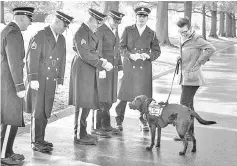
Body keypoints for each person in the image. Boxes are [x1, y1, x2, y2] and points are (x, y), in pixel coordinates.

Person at [25, 11, 74, 153]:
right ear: (57, 22)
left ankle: (41, 138)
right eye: (64, 25)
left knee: (46, 109)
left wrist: (59, 79)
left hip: (51, 79)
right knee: (38, 110)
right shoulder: (40, 35)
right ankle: (35, 141)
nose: (65, 29)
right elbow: (31, 58)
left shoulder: (62, 39)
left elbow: (62, 60)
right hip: (39, 79)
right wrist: (32, 78)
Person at [68, 8, 113, 145]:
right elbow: (84, 53)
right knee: (82, 102)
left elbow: (92, 51)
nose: (99, 24)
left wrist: (101, 62)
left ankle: (83, 132)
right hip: (83, 70)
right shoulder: (82, 32)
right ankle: (79, 135)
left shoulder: (90, 32)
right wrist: (101, 63)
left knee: (87, 101)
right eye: (98, 21)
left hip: (89, 69)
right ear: (91, 19)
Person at [115, 4, 161, 132]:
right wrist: (130, 55)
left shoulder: (151, 33)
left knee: (144, 97)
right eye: (139, 16)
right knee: (124, 94)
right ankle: (119, 121)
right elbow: (121, 47)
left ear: (147, 18)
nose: (141, 18)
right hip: (129, 66)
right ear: (136, 17)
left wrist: (149, 56)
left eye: (144, 16)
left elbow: (157, 51)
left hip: (144, 68)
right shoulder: (128, 30)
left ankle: (143, 121)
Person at [1, 7, 34, 165]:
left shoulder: (9, 30)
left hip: (7, 82)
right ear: (21, 18)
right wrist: (20, 86)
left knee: (10, 118)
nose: (29, 24)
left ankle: (8, 150)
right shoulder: (13, 33)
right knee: (10, 118)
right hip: (10, 84)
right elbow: (14, 62)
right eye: (29, 20)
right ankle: (3, 155)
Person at [174, 17, 216, 141]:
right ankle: (190, 134)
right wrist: (179, 57)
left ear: (190, 28)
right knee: (189, 106)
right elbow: (187, 53)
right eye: (180, 32)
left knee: (183, 106)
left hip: (192, 78)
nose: (183, 34)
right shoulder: (182, 37)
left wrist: (199, 62)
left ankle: (186, 134)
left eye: (185, 32)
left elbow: (211, 49)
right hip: (185, 76)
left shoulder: (197, 38)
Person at [91, 10, 125, 138]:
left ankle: (106, 124)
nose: (117, 23)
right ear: (109, 19)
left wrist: (120, 67)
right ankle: (96, 127)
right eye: (115, 20)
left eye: (119, 21)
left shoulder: (114, 30)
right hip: (104, 69)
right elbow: (97, 50)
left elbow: (117, 51)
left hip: (113, 69)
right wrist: (100, 68)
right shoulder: (101, 30)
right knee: (101, 98)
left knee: (109, 98)